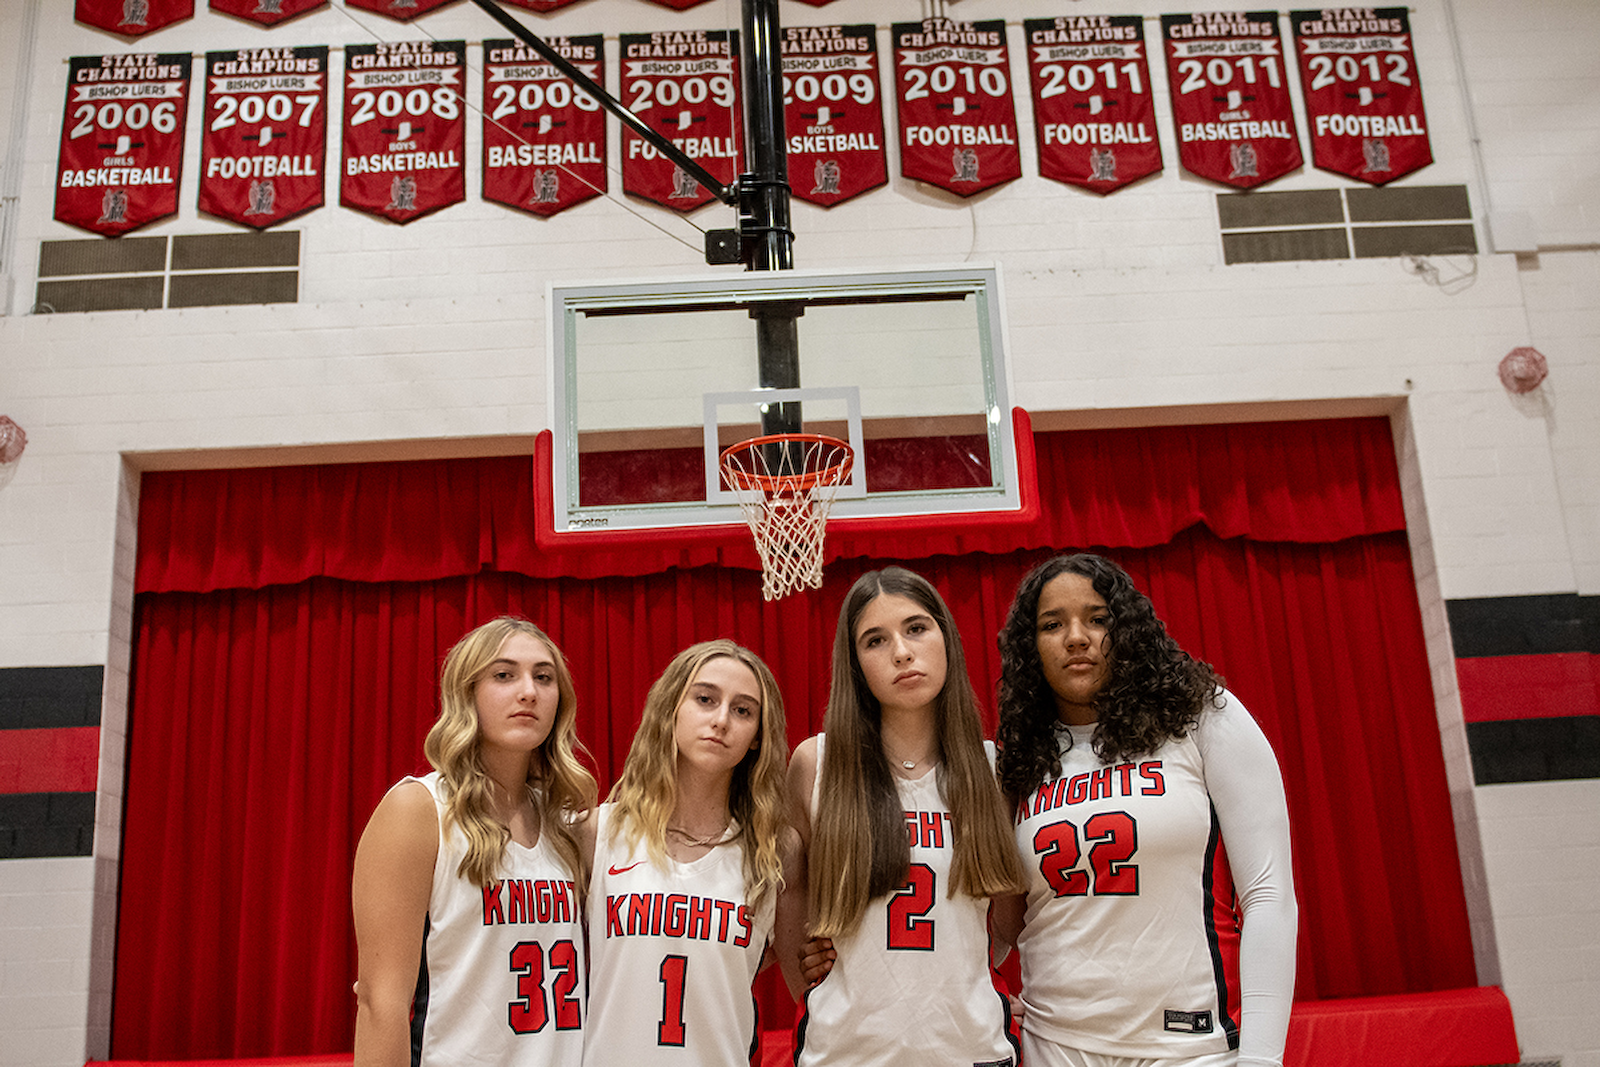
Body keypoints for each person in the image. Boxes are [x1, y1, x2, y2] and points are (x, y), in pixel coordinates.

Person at [993, 553, 1297, 1067]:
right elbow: (1001, 926)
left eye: (1097, 618)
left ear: (1128, 630)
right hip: (1055, 1048)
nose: (1076, 637)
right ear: (1030, 647)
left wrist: (1263, 1060)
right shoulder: (1017, 760)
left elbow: (1268, 895)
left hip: (1192, 1047)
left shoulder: (1202, 717)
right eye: (1052, 624)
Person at [777, 566, 1027, 1067]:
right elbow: (791, 903)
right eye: (875, 640)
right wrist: (820, 992)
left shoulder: (992, 769)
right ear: (856, 665)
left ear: (946, 638)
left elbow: (1005, 923)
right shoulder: (816, 763)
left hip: (971, 1049)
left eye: (916, 628)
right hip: (846, 1054)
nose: (901, 652)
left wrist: (961, 980)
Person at [352, 617, 597, 1067]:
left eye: (544, 677)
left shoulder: (568, 824)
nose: (529, 691)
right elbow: (379, 1003)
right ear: (467, 694)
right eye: (504, 675)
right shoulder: (419, 810)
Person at [581, 639, 790, 1067]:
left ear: (757, 737)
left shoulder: (774, 852)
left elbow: (800, 963)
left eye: (743, 710)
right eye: (705, 699)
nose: (721, 720)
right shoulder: (597, 832)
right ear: (672, 708)